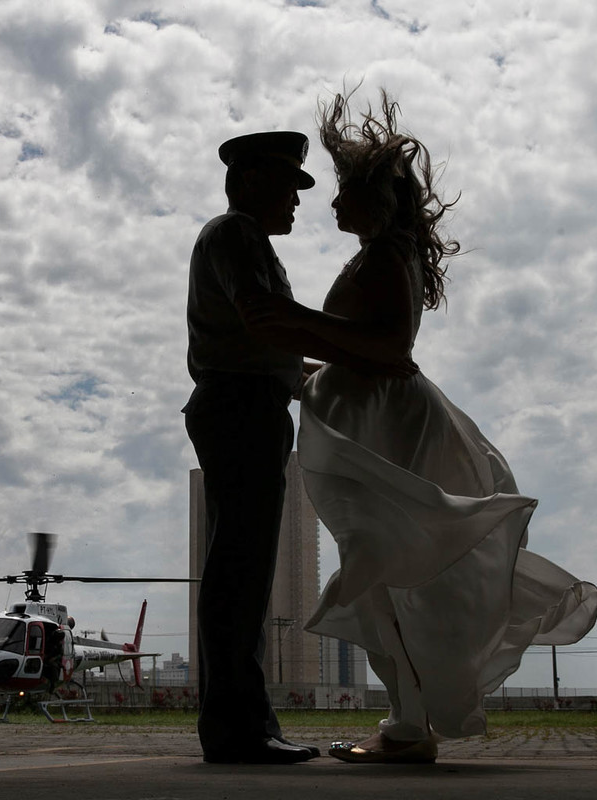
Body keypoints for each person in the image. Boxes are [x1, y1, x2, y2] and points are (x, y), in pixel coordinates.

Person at [244, 91, 597, 763]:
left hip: (389, 426)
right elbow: (359, 348)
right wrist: (301, 357)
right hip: (376, 419)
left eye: (346, 191)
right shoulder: (381, 254)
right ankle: (406, 725)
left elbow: (389, 348)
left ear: (379, 199)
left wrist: (294, 324)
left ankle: (409, 730)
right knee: (385, 573)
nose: (332, 202)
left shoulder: (387, 256)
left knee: (389, 569)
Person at [183, 130, 414, 765]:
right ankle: (237, 731)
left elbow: (269, 345)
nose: (297, 200)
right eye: (289, 186)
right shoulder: (235, 233)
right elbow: (263, 317)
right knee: (241, 572)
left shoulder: (250, 242)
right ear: (250, 180)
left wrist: (323, 369)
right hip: (240, 408)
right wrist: (363, 351)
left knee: (247, 571)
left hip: (250, 405)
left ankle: (246, 724)